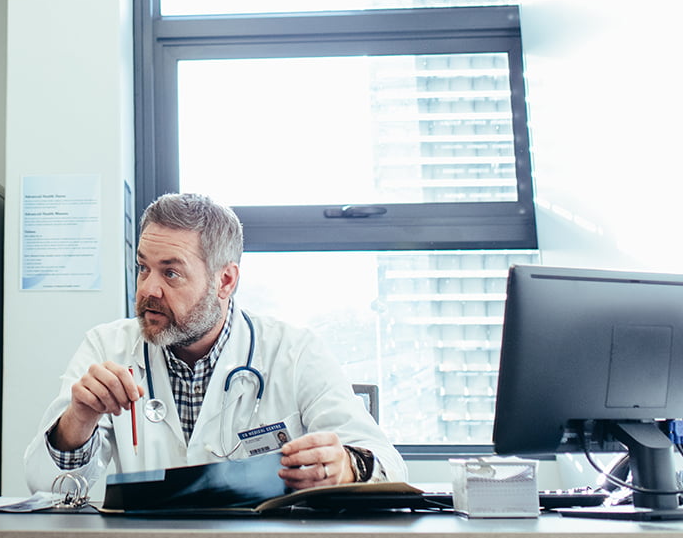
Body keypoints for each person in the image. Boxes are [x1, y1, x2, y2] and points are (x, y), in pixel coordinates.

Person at [25, 192, 404, 494]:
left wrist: (346, 466)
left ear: (225, 281)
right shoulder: (107, 348)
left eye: (170, 272)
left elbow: (388, 463)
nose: (147, 289)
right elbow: (45, 485)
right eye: (143, 267)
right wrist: (80, 418)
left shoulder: (295, 352)